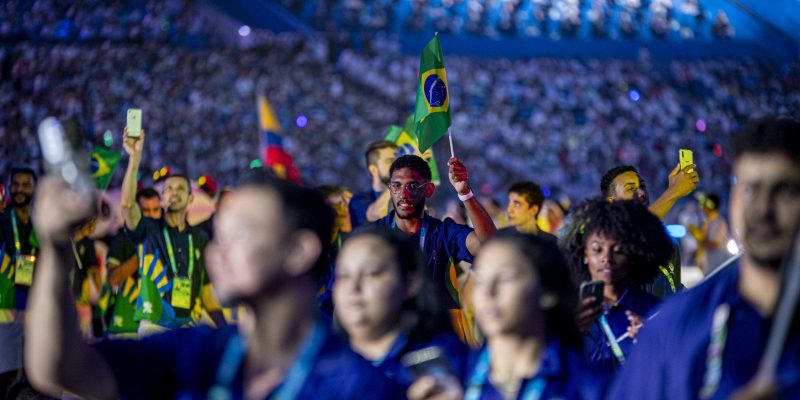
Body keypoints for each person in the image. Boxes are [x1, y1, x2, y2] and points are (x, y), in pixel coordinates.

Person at [25, 170, 405, 399]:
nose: (216, 253)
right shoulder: (196, 354)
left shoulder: (361, 388)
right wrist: (55, 247)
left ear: (298, 250)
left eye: (238, 234)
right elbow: (60, 369)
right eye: (217, 237)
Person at [608, 117, 800, 399]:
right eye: (749, 188)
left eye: (784, 190)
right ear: (733, 197)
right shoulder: (676, 327)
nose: (763, 209)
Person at [410, 232, 606, 399]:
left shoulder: (589, 385)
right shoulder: (452, 378)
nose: (488, 291)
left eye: (505, 277)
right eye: (479, 279)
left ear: (547, 291)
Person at [373, 155, 497, 341]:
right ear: (389, 188)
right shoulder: (372, 235)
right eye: (397, 185)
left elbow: (490, 246)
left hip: (439, 338)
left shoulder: (443, 232)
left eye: (413, 186)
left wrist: (465, 194)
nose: (404, 194)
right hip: (389, 335)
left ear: (429, 190)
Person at [334, 226, 469, 389]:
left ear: (410, 283)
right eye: (343, 275)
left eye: (371, 273)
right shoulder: (317, 366)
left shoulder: (446, 361)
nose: (353, 287)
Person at [119, 129, 224, 333]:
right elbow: (127, 205)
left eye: (180, 189)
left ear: (190, 198)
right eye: (169, 189)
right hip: (154, 325)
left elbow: (207, 293)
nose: (174, 193)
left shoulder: (200, 237)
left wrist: (226, 330)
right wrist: (134, 158)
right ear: (162, 198)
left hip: (189, 324)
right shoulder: (148, 229)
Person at [563, 199, 674, 374]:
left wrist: (654, 342)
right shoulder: (564, 311)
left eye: (618, 250)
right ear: (584, 254)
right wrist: (567, 334)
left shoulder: (656, 311)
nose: (606, 258)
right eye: (597, 249)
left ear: (633, 254)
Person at [600, 164, 696, 297]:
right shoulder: (606, 236)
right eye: (630, 189)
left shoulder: (666, 239)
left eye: (642, 186)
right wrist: (673, 192)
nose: (641, 193)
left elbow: (671, 287)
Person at [0, 167, 43, 398]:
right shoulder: (2, 220)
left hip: (36, 309)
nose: (20, 189)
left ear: (35, 189)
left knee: (36, 378)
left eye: (26, 185)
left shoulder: (42, 223)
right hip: (6, 309)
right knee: (6, 378)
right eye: (15, 184)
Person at [316, 184, 353, 318]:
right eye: (339, 205)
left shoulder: (348, 242)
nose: (345, 209)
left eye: (345, 204)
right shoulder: (310, 247)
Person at [349, 140, 397, 229]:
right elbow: (376, 213)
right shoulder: (358, 200)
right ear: (373, 170)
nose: (397, 165)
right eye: (389, 161)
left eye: (398, 160)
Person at [688, 192, 732, 275]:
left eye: (704, 205)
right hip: (710, 268)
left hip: (716, 268)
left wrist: (697, 236)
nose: (702, 207)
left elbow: (714, 244)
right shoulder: (708, 222)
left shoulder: (718, 222)